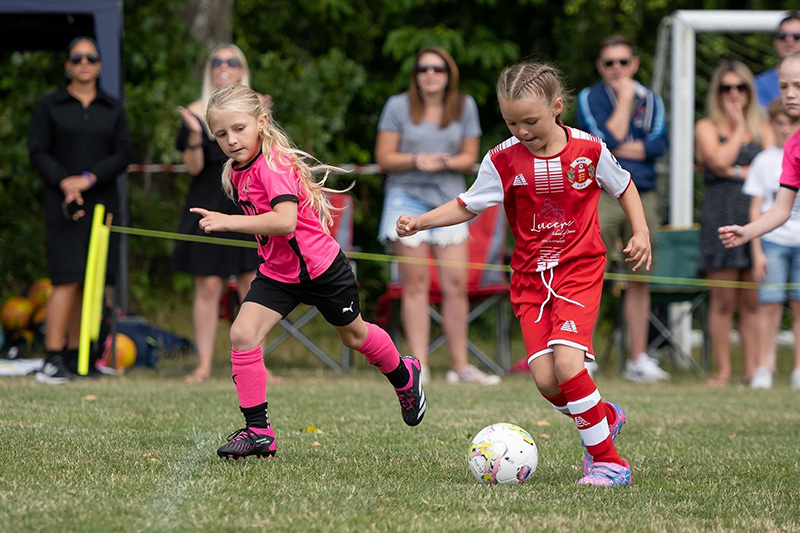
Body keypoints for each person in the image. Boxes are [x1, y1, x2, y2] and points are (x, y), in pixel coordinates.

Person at [396, 62, 651, 487]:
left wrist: (640, 231)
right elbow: (467, 203)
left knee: (569, 366)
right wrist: (422, 222)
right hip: (530, 281)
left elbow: (623, 186)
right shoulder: (501, 160)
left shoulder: (589, 150)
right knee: (548, 382)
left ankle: (609, 462)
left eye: (531, 121)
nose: (522, 131)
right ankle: (604, 418)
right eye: (512, 122)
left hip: (578, 270)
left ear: (556, 108)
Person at [195, 83, 426, 459]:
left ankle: (404, 373)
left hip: (322, 271)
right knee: (242, 333)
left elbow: (285, 222)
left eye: (239, 129)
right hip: (278, 274)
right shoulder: (238, 171)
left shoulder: (273, 166)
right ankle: (259, 432)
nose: (231, 140)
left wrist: (227, 223)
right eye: (221, 134)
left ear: (261, 122)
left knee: (354, 336)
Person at [375, 46, 497, 385]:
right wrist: (416, 159)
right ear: (415, 75)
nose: (430, 74)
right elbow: (384, 157)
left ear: (449, 74)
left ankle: (460, 367)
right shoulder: (398, 105)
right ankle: (419, 367)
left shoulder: (465, 105)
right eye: (424, 69)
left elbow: (471, 156)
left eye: (438, 69)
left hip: (450, 201)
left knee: (456, 286)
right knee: (415, 285)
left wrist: (442, 161)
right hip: (405, 197)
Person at [174, 44, 278, 383]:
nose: (223, 66)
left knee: (253, 284)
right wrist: (192, 134)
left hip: (250, 204)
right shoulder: (194, 112)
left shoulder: (256, 108)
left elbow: (271, 156)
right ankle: (204, 364)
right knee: (207, 286)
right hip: (208, 203)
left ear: (241, 68)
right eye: (216, 61)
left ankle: (256, 363)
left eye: (231, 61)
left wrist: (265, 121)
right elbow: (193, 168)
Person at [29, 36, 130, 384]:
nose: (84, 62)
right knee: (66, 279)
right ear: (68, 65)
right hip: (63, 204)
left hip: (103, 205)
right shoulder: (49, 105)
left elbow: (122, 153)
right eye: (77, 57)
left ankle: (79, 357)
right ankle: (53, 357)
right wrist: (66, 182)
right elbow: (38, 151)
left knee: (93, 282)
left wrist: (88, 179)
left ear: (100, 64)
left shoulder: (112, 108)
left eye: (91, 57)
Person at [577, 34, 669, 383]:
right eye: (609, 63)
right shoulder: (589, 97)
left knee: (639, 277)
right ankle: (583, 354)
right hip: (598, 194)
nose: (617, 69)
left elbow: (659, 145)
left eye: (623, 62)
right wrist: (627, 99)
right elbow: (603, 142)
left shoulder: (654, 99)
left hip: (642, 193)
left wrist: (619, 147)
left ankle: (638, 358)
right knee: (588, 273)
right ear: (600, 67)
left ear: (635, 64)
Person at [720, 52, 800, 390]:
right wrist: (748, 231)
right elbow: (781, 209)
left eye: (798, 85)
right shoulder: (792, 146)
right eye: (784, 86)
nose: (790, 93)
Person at [696, 60, 774, 387]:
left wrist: (738, 171)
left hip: (756, 214)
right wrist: (740, 128)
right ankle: (723, 371)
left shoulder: (766, 126)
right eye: (726, 87)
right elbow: (718, 160)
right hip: (720, 213)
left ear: (749, 90)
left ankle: (753, 371)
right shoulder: (706, 126)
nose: (733, 93)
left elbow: (771, 170)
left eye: (740, 87)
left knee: (752, 301)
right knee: (723, 299)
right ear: (717, 91)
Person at [743, 98, 800, 389]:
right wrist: (756, 251)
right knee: (770, 305)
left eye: (791, 123)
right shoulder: (764, 160)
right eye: (779, 123)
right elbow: (757, 207)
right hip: (773, 241)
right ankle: (765, 366)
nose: (785, 129)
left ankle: (798, 370)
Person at [755, 13, 800, 111]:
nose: (789, 40)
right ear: (774, 40)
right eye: (782, 36)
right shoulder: (759, 84)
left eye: (797, 36)